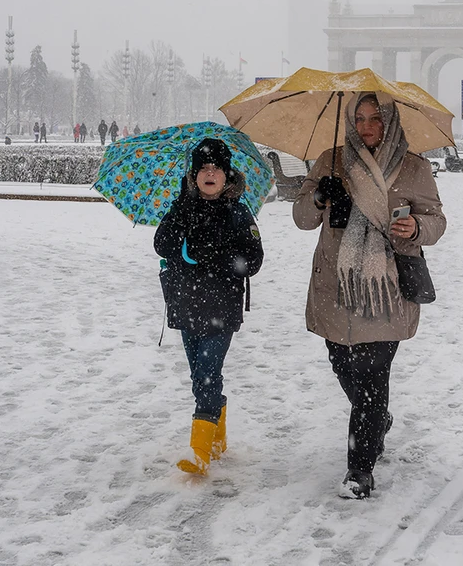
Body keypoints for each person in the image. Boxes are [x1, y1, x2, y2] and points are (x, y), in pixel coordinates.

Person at [293, 92, 447, 499]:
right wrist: (318, 197)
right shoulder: (331, 160)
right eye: (358, 118)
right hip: (336, 287)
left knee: (372, 378)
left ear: (391, 121)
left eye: (375, 118)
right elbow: (302, 219)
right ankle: (376, 419)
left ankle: (360, 469)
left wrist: (415, 227)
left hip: (386, 289)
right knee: (344, 366)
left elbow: (436, 220)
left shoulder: (412, 167)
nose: (366, 127)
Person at [153, 138, 264, 476]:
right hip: (186, 305)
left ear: (226, 173)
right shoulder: (181, 207)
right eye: (203, 167)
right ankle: (217, 438)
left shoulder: (238, 212)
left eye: (216, 167)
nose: (210, 172)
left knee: (206, 374)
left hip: (222, 308)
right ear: (194, 174)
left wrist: (220, 256)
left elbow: (254, 260)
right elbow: (161, 244)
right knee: (198, 375)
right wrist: (183, 216)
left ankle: (199, 451)